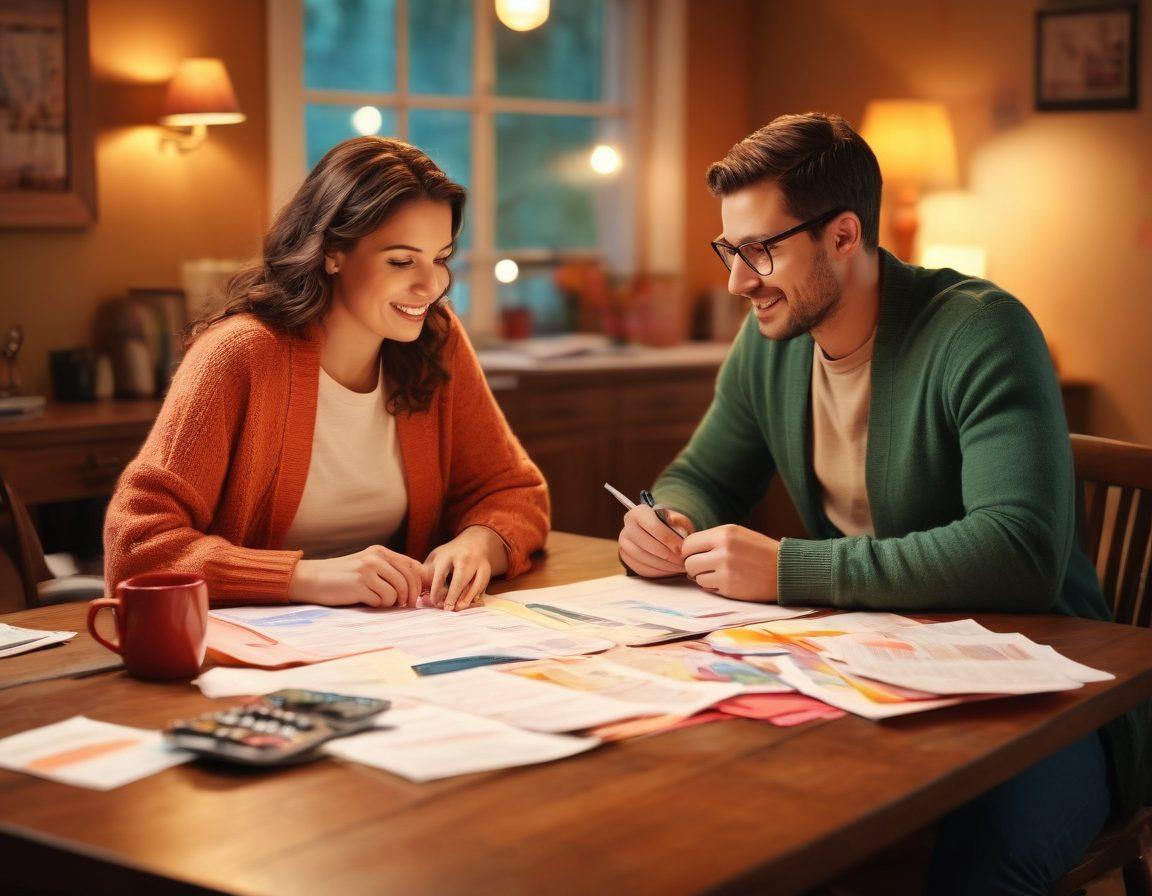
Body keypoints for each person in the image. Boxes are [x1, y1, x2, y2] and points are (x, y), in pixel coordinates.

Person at [617, 112, 1147, 894]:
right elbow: (701, 474)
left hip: (1046, 697)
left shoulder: (980, 332)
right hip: (869, 674)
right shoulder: (771, 341)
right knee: (733, 825)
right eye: (729, 249)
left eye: (761, 250)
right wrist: (670, 521)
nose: (737, 281)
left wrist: (790, 567)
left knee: (979, 874)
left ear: (842, 235)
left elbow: (1018, 552)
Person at [105, 136, 548, 612]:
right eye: (401, 261)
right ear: (333, 252)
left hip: (393, 641)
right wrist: (301, 577)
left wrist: (478, 544)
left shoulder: (436, 341)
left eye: (439, 258)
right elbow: (135, 548)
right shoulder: (238, 355)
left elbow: (514, 491)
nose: (431, 285)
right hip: (251, 650)